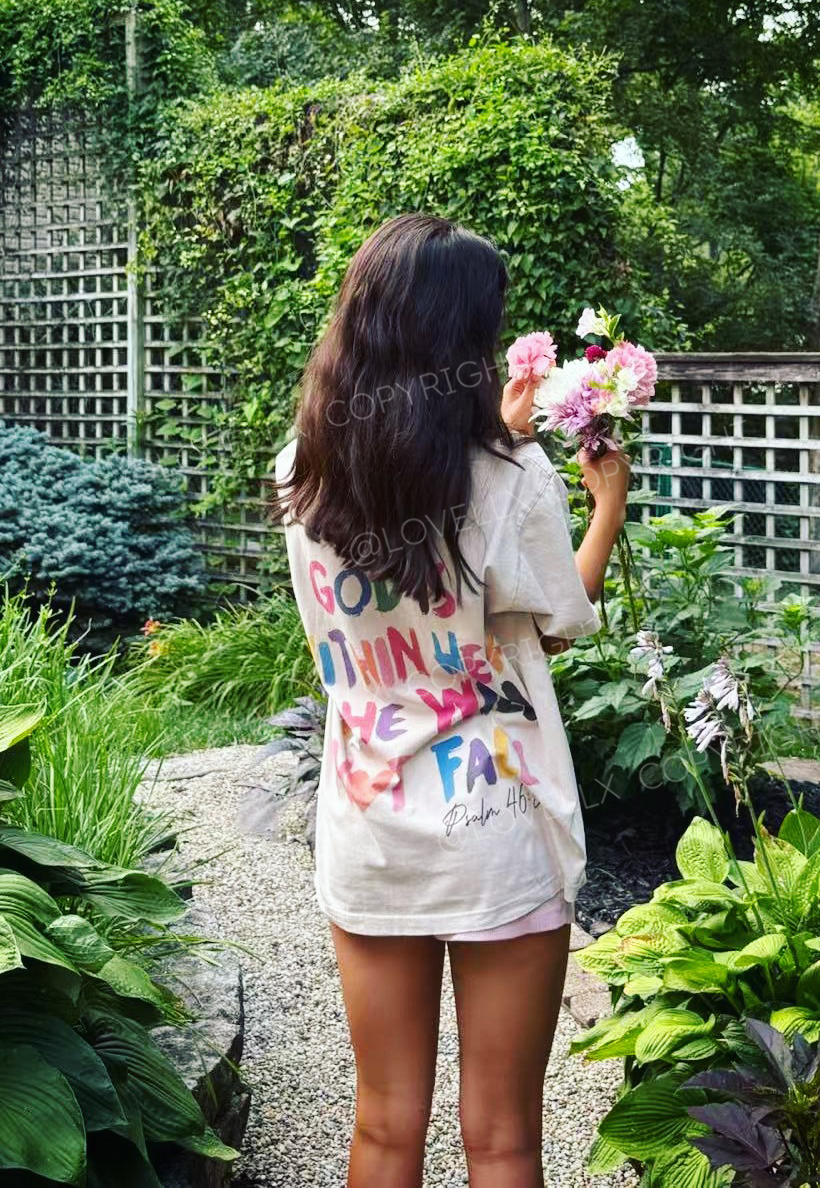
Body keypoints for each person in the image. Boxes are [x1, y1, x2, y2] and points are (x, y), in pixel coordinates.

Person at [273, 213, 630, 1188]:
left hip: (369, 821)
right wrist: (605, 506)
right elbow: (556, 623)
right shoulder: (511, 477)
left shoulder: (302, 469)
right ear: (464, 337)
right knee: (502, 1138)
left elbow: (405, 556)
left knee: (383, 1125)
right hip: (495, 824)